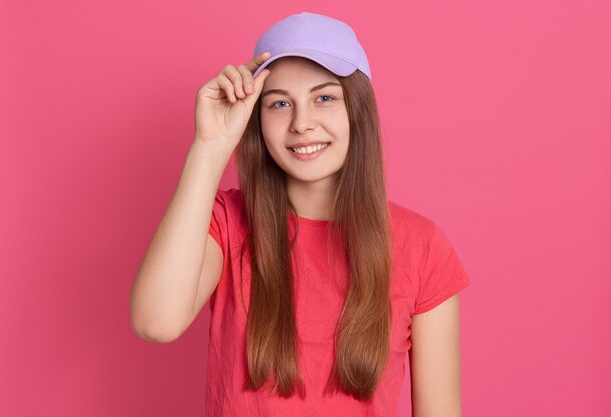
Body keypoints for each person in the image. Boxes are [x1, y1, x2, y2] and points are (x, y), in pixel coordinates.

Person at [130, 11, 471, 417]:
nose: (302, 124)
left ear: (357, 111)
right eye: (279, 104)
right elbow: (156, 322)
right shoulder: (225, 223)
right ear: (257, 118)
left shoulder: (422, 247)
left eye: (324, 97)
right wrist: (210, 145)